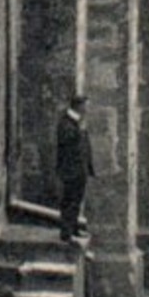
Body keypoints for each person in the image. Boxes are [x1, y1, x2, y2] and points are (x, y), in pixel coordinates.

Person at [55, 94, 95, 243]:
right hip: (71, 171)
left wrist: (89, 168)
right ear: (78, 106)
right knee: (70, 201)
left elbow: (86, 148)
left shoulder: (78, 122)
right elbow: (69, 145)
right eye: (86, 106)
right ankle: (66, 233)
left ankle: (74, 228)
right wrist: (80, 131)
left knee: (77, 201)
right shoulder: (66, 123)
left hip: (80, 170)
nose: (88, 109)